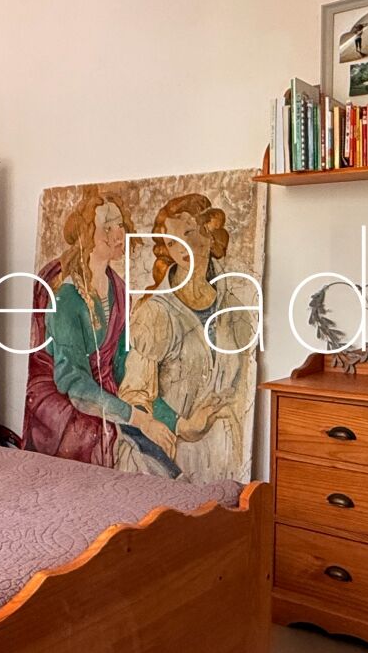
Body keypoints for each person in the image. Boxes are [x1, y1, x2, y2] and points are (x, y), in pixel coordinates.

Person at [20, 188, 176, 470]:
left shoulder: (120, 290)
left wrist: (166, 418)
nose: (119, 234)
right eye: (108, 227)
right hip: (67, 406)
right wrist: (138, 419)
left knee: (161, 461)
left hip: (108, 398)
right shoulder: (67, 299)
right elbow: (75, 384)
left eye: (120, 224)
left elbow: (123, 365)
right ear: (87, 235)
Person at [119, 193, 254, 483]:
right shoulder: (156, 311)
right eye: (171, 242)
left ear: (209, 234)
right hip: (165, 460)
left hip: (224, 456)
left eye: (189, 233)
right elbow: (134, 394)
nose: (180, 246)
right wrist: (182, 424)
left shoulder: (234, 311)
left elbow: (242, 389)